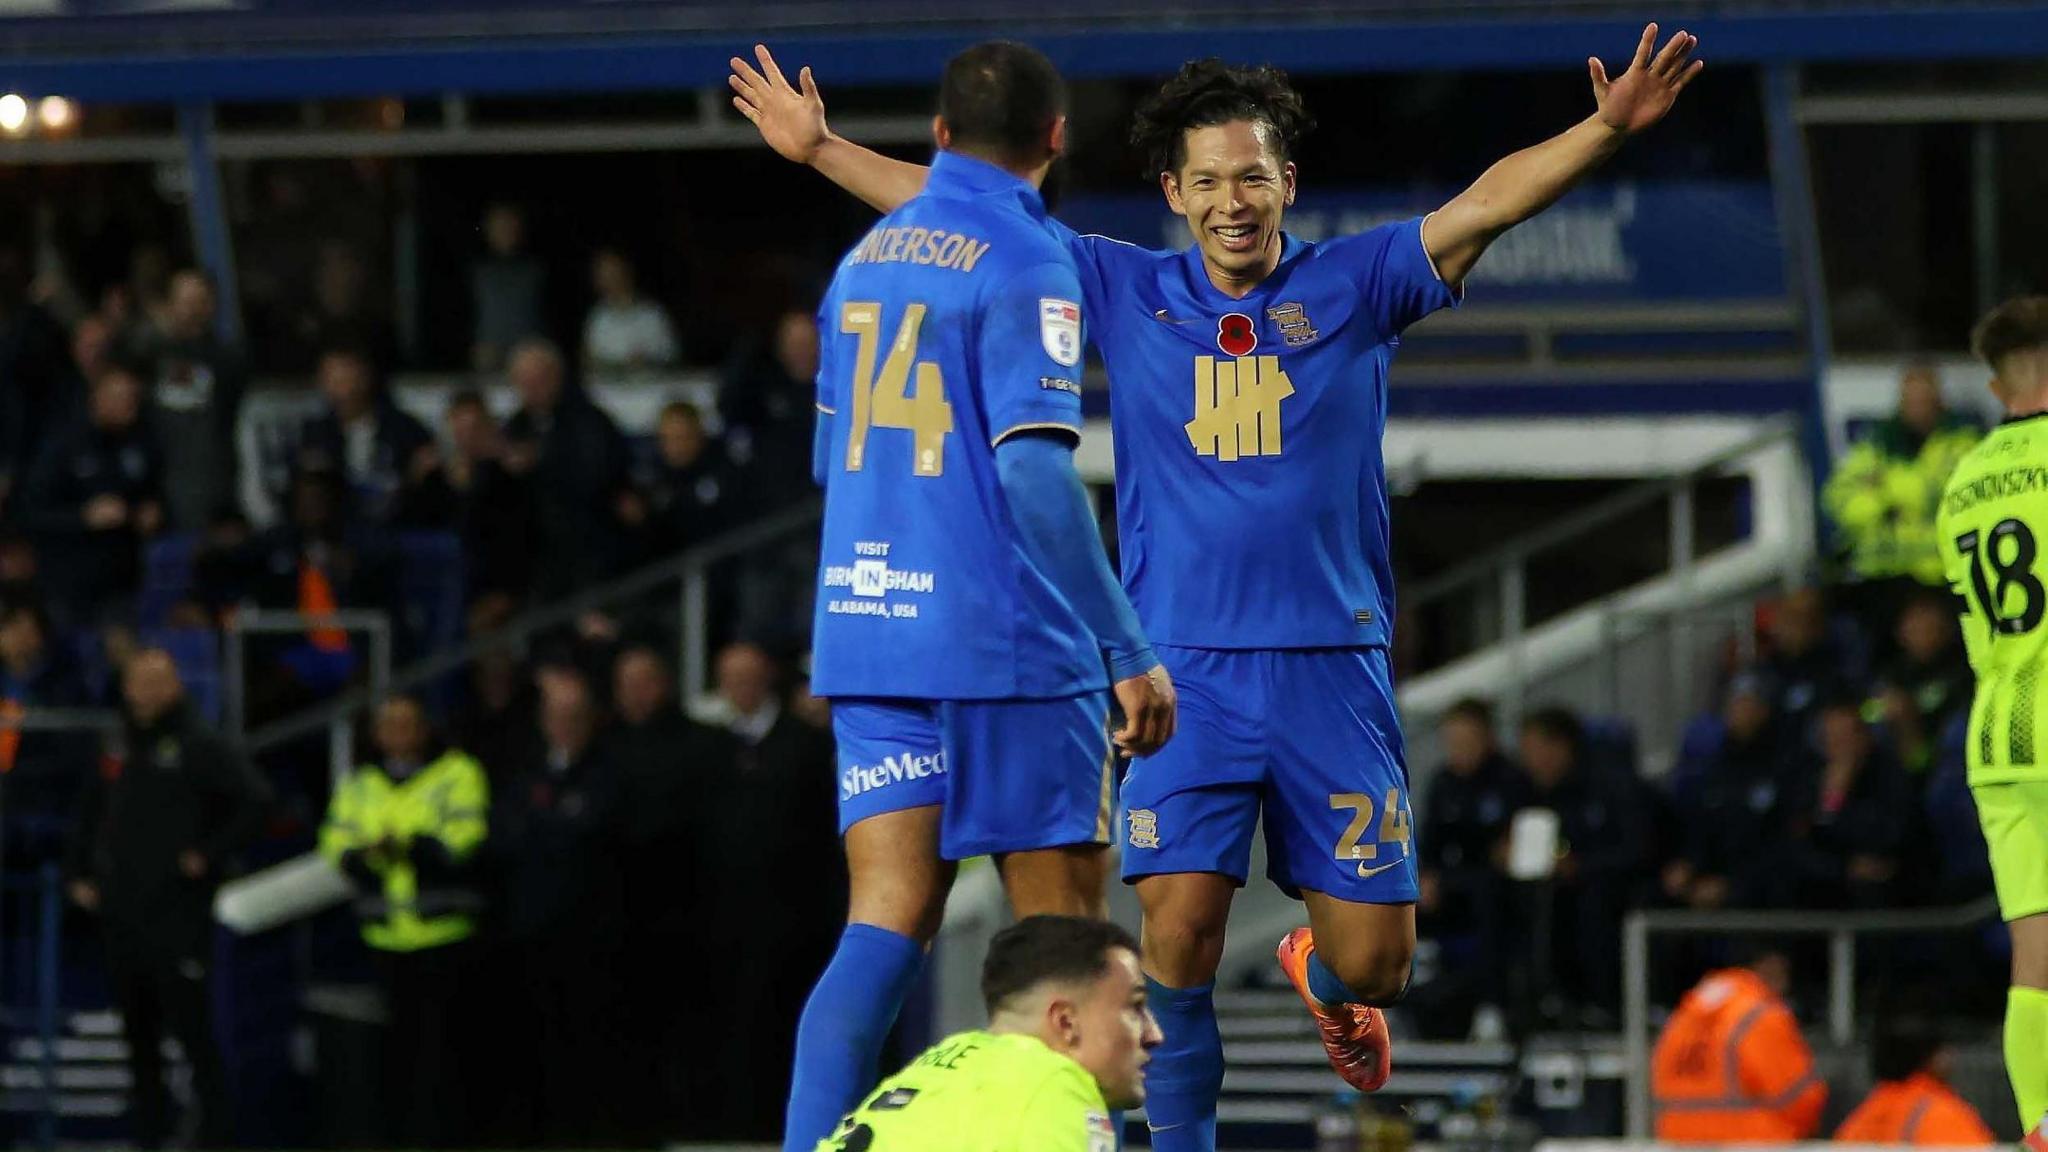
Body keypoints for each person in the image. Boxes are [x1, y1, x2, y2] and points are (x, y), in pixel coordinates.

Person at [735, 23, 1700, 1141]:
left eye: (1251, 176)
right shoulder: (1118, 285)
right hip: (1179, 672)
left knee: (1377, 963)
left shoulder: (1355, 281)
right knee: (1176, 944)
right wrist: (818, 150)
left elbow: (1484, 204)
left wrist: (1602, 128)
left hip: (1328, 670)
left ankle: (1320, 975)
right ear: (1173, 193)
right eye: (1207, 182)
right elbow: (968, 216)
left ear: (1285, 183)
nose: (1232, 200)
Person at [772, 42, 1175, 1151]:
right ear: (1056, 139)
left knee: (878, 931)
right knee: (1067, 942)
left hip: (869, 639)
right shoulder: (1028, 262)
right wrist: (1126, 648)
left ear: (938, 135)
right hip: (1002, 647)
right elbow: (1034, 471)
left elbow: (830, 466)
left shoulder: (858, 265)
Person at [64, 649, 269, 1150]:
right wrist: (78, 874)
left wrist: (206, 854)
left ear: (176, 686)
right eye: (141, 681)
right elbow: (87, 815)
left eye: (161, 680)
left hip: (178, 915)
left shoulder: (200, 744)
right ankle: (150, 1137)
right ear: (127, 687)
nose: (151, 691)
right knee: (138, 1037)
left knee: (195, 1033)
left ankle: (217, 1136)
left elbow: (256, 802)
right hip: (121, 913)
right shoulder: (115, 747)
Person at [1933, 295, 2048, 1147]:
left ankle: (2041, 1126)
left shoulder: (1963, 483)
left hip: (2003, 736)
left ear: (1995, 380)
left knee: (2036, 959)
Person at [815, 915, 1160, 1152]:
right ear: (1066, 1023)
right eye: (1135, 1006)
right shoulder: (1051, 1085)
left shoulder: (944, 1065)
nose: (1154, 1034)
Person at [318, 694, 488, 1149]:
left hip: (444, 935)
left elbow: (465, 839)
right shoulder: (360, 784)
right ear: (376, 735)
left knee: (446, 1055)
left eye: (406, 724)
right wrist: (364, 855)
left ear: (423, 729)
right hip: (384, 938)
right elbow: (335, 843)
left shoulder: (457, 772)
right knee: (395, 1053)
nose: (397, 734)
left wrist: (409, 846)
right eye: (388, 725)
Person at [1827, 362, 1982, 632]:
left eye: (1924, 399)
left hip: (1940, 577)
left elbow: (1938, 497)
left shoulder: (1963, 444)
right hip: (1881, 576)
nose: (1918, 407)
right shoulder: (1876, 443)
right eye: (1911, 400)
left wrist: (1882, 487)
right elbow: (1837, 498)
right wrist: (1884, 504)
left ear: (1939, 401)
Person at [17, 360, 164, 624]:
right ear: (97, 397)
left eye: (133, 398)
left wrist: (149, 512)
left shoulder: (142, 442)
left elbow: (153, 493)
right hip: (69, 578)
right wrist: (84, 517)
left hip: (122, 578)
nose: (128, 405)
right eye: (119, 397)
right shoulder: (62, 446)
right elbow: (32, 512)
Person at [1412, 698, 1517, 1037]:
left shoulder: (1510, 780)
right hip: (1447, 882)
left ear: (1487, 738)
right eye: (1452, 742)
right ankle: (1396, 1000)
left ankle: (1491, 1006)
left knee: (1490, 898)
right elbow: (1427, 843)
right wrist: (1424, 876)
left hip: (1495, 884)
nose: (1458, 751)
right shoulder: (1442, 783)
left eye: (1466, 742)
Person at [500, 337, 635, 597]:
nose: (530, 389)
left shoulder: (589, 422)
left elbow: (597, 478)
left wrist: (541, 462)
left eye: (537, 380)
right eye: (523, 381)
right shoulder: (517, 425)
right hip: (534, 548)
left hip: (588, 544)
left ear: (557, 377)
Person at [1651, 947, 1825, 1142]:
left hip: (1679, 1143)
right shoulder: (1758, 1016)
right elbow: (1801, 1099)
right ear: (1770, 966)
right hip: (1751, 1142)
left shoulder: (1684, 1016)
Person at [126, 268, 245, 531]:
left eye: (200, 301)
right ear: (170, 304)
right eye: (186, 301)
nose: (193, 310)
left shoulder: (228, 359)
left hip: (213, 483)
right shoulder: (147, 355)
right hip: (161, 485)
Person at [294, 343, 436, 528]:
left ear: (366, 377)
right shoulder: (316, 433)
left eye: (345, 377)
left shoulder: (405, 428)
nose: (338, 387)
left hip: (399, 527)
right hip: (338, 530)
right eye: (331, 378)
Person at [1834, 1012, 1995, 1146]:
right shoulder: (1942, 1114)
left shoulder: (1862, 1116)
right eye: (1943, 1051)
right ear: (1932, 1059)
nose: (1951, 1058)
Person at [470, 203, 546, 373]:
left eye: (508, 226)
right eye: (499, 226)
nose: (504, 232)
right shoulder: (477, 273)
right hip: (488, 357)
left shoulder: (535, 271)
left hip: (527, 358)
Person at [582, 248, 680, 375]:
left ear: (625, 272)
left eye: (612, 271)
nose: (607, 279)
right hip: (607, 392)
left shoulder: (652, 314)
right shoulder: (597, 318)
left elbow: (673, 357)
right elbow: (587, 361)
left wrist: (648, 362)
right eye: (602, 273)